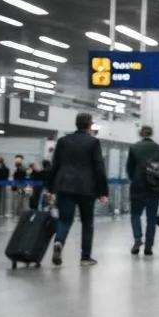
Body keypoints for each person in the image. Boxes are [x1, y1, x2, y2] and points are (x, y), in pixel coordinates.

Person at [50, 111, 108, 267]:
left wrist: (50, 187)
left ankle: (59, 242)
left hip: (65, 186)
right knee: (87, 223)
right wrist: (103, 191)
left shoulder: (63, 141)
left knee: (64, 220)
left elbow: (55, 165)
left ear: (76, 124)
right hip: (86, 189)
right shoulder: (93, 142)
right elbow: (99, 167)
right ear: (89, 125)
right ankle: (85, 257)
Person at [126, 125, 159, 256]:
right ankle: (148, 247)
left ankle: (138, 239)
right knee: (151, 218)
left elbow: (129, 168)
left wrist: (135, 178)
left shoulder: (133, 148)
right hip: (154, 187)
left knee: (135, 215)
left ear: (140, 134)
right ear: (152, 134)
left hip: (137, 187)